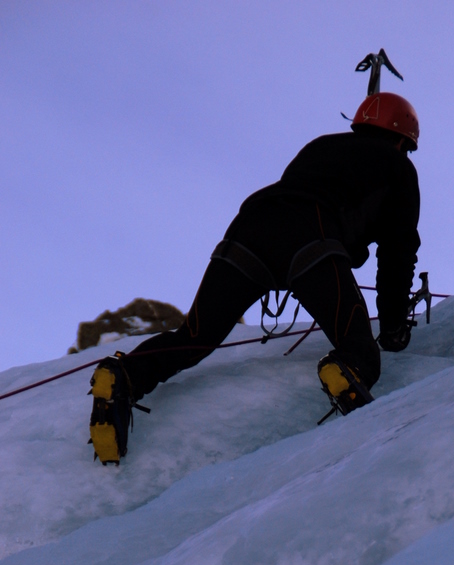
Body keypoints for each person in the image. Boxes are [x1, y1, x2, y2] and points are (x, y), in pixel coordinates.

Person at [89, 91, 421, 465]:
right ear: (401, 140)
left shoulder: (319, 147)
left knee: (195, 337)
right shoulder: (399, 168)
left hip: (247, 230)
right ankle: (346, 372)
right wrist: (393, 328)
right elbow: (397, 252)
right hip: (310, 234)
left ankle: (125, 374)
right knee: (357, 347)